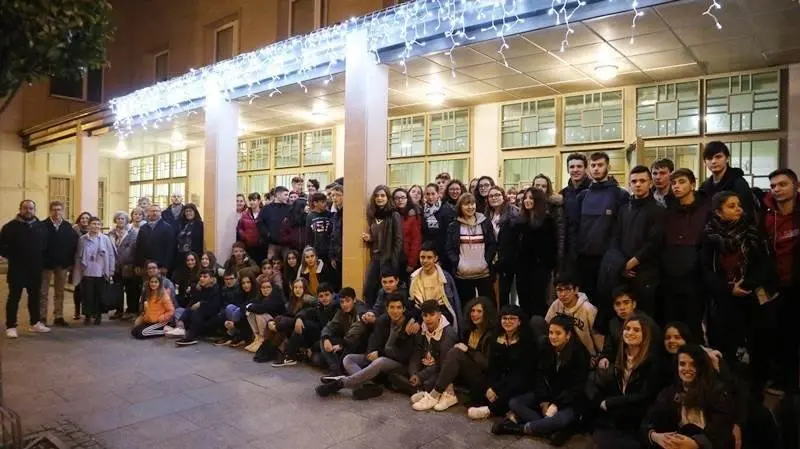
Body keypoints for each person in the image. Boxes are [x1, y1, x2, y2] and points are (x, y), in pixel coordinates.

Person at [703, 191, 775, 396]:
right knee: (726, 344)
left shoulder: (753, 230)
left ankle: (756, 388)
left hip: (752, 295)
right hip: (725, 297)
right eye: (731, 206)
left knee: (758, 343)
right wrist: (728, 288)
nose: (739, 210)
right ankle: (728, 386)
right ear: (718, 212)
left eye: (739, 205)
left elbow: (765, 262)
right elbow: (706, 269)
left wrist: (748, 284)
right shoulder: (709, 235)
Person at [493, 315, 590, 447]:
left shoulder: (580, 353)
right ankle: (550, 429)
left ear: (568, 335)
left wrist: (556, 404)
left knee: (560, 419)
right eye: (551, 332)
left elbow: (576, 387)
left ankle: (518, 428)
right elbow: (539, 374)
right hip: (548, 395)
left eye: (558, 333)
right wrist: (543, 400)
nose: (553, 337)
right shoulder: (545, 345)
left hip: (568, 401)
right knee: (515, 402)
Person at [315, 293, 415, 400]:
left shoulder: (409, 325)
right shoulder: (383, 320)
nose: (395, 311)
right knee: (348, 358)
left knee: (380, 361)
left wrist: (380, 353)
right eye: (392, 307)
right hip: (379, 356)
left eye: (398, 307)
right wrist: (370, 353)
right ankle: (369, 385)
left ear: (404, 309)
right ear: (387, 308)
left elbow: (404, 353)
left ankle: (341, 383)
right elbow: (374, 339)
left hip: (397, 362)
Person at [644, 344, 736, 449]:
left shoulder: (717, 392)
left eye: (693, 364)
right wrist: (655, 437)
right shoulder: (669, 393)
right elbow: (647, 422)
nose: (687, 369)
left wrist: (695, 444)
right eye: (682, 364)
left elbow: (722, 431)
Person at [412, 296, 496, 412]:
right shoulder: (469, 331)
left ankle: (434, 395)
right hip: (461, 374)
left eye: (479, 311)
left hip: (482, 377)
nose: (474, 314)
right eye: (472, 311)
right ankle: (445, 393)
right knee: (452, 356)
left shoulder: (491, 335)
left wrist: (468, 350)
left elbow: (487, 364)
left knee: (455, 352)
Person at [591, 313, 662, 449]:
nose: (630, 333)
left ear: (645, 334)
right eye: (627, 329)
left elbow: (645, 395)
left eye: (636, 330)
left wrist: (610, 402)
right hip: (618, 415)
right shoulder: (619, 356)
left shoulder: (653, 361)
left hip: (639, 417)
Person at [568, 152, 629, 304]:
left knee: (607, 303)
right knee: (586, 303)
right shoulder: (582, 196)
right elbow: (574, 227)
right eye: (593, 165)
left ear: (608, 167)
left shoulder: (620, 195)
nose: (596, 169)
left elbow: (623, 229)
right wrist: (575, 254)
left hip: (608, 260)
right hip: (584, 259)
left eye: (600, 165)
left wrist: (618, 258)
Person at [608, 165, 665, 318]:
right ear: (629, 184)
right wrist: (621, 265)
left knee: (645, 316)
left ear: (650, 183)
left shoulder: (658, 210)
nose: (638, 184)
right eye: (634, 181)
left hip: (646, 272)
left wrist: (631, 263)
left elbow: (654, 243)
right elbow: (616, 238)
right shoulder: (624, 209)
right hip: (623, 272)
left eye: (642, 181)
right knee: (624, 317)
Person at [762, 168, 800, 392]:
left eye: (782, 184)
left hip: (796, 282)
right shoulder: (765, 214)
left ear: (796, 186)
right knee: (775, 332)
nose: (777, 189)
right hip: (774, 284)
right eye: (773, 186)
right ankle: (779, 378)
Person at [660, 168, 709, 337]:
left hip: (695, 278)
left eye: (681, 182)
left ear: (692, 185)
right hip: (671, 276)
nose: (676, 186)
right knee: (671, 324)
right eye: (673, 183)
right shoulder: (668, 211)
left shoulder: (705, 210)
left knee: (693, 325)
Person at [466, 305, 535, 420]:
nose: (508, 321)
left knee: (513, 386)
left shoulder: (527, 341)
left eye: (512, 318)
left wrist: (496, 389)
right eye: (505, 318)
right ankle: (502, 409)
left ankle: (490, 410)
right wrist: (490, 387)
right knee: (479, 384)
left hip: (520, 380)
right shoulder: (497, 337)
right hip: (502, 378)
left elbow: (521, 373)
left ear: (519, 322)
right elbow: (493, 367)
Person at [1, 200, 50, 338]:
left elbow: (45, 246)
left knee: (34, 298)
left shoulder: (41, 227)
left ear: (34, 210)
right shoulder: (9, 227)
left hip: (35, 269)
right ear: (20, 209)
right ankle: (11, 326)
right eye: (25, 208)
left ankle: (35, 323)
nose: (28, 210)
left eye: (31, 208)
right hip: (17, 268)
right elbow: (3, 246)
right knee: (14, 298)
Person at [390, 300, 458, 398]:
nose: (428, 319)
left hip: (439, 369)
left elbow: (443, 364)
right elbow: (417, 352)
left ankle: (418, 390)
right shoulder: (422, 328)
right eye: (425, 315)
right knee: (393, 374)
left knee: (429, 383)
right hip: (423, 367)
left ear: (439, 315)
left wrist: (420, 376)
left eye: (432, 315)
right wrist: (414, 373)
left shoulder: (448, 334)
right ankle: (418, 390)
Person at [505, 188, 557, 317]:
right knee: (524, 302)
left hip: (541, 269)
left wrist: (547, 264)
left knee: (539, 302)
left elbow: (552, 246)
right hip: (522, 270)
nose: (527, 201)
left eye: (531, 198)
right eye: (526, 198)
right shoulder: (519, 221)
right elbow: (513, 246)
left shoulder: (548, 221)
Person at [446, 193, 497, 307]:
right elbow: (449, 248)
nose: (470, 207)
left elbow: (492, 244)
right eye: (466, 204)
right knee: (467, 307)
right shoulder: (454, 225)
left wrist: (486, 262)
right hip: (463, 275)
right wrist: (458, 263)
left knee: (488, 306)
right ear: (460, 207)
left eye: (472, 204)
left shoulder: (485, 222)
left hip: (484, 274)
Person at [538, 274, 601, 360]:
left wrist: (599, 356)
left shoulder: (588, 309)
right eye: (559, 290)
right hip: (560, 350)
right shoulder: (556, 304)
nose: (563, 294)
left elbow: (598, 335)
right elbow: (548, 327)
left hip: (585, 355)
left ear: (576, 290)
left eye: (567, 289)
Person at [597, 288, 660, 371]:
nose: (622, 307)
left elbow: (656, 350)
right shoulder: (613, 323)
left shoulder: (647, 323)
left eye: (626, 302)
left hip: (645, 365)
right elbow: (609, 348)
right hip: (621, 365)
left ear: (634, 304)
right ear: (613, 307)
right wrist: (605, 358)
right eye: (618, 304)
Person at [362, 185, 403, 304]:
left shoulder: (394, 215)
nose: (379, 198)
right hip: (376, 257)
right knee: (369, 289)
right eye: (377, 196)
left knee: (386, 291)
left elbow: (398, 240)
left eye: (382, 195)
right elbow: (377, 236)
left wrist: (394, 260)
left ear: (387, 198)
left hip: (388, 257)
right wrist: (370, 238)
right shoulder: (373, 215)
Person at [700, 141, 759, 224]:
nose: (713, 161)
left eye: (718, 157)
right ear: (705, 162)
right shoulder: (704, 186)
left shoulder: (739, 183)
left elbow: (747, 214)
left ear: (727, 158)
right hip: (711, 229)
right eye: (709, 158)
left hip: (736, 230)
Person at [40, 200, 78, 327]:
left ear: (63, 211)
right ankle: (42, 317)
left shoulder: (68, 227)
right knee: (43, 292)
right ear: (50, 211)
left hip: (62, 264)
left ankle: (59, 316)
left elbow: (73, 246)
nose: (57, 212)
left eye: (59, 209)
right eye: (54, 209)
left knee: (60, 292)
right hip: (45, 264)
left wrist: (71, 262)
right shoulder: (42, 225)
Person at [407, 243, 461, 331]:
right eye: (422, 257)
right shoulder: (414, 278)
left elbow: (454, 303)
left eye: (429, 257)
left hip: (442, 312)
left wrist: (420, 322)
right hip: (421, 312)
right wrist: (414, 320)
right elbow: (415, 304)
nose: (425, 261)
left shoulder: (445, 277)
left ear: (435, 258)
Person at [73, 216, 116, 326]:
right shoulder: (83, 239)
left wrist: (111, 269)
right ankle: (87, 315)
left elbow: (111, 255)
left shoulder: (105, 239)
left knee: (99, 295)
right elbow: (78, 255)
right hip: (87, 271)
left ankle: (98, 315)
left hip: (101, 271)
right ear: (89, 225)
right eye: (93, 224)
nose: (96, 226)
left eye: (98, 224)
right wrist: (77, 271)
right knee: (87, 295)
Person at [318, 287, 368, 376]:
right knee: (323, 341)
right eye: (342, 302)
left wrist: (341, 345)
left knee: (319, 359)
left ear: (354, 300)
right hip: (346, 342)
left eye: (347, 301)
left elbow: (355, 334)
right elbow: (329, 327)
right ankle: (336, 369)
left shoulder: (361, 311)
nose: (344, 304)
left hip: (360, 346)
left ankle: (338, 370)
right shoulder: (341, 312)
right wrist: (326, 338)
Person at [270, 278, 319, 366]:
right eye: (295, 287)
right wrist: (273, 321)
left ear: (305, 288)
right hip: (297, 330)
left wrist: (299, 318)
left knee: (286, 324)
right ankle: (275, 350)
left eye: (300, 287)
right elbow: (287, 315)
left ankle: (289, 356)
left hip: (309, 332)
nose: (297, 290)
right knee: (280, 320)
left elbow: (307, 312)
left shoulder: (309, 301)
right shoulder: (292, 301)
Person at [486, 185, 518, 308]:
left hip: (507, 259)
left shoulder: (512, 212)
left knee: (506, 294)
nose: (494, 198)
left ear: (503, 197)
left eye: (497, 195)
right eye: (491, 196)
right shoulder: (487, 214)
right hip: (492, 259)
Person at [175, 269, 222, 346]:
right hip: (199, 315)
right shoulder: (198, 288)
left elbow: (215, 305)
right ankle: (180, 327)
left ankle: (191, 337)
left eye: (205, 277)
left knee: (198, 311)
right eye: (201, 276)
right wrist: (182, 319)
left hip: (212, 315)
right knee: (182, 310)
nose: (201, 278)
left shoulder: (216, 289)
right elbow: (192, 303)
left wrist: (201, 303)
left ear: (211, 279)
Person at [108, 211, 139, 321]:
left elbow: (135, 250)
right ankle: (119, 310)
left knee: (131, 289)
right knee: (118, 289)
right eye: (118, 218)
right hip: (116, 265)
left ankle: (131, 310)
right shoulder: (111, 233)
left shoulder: (133, 233)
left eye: (122, 219)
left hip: (128, 265)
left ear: (126, 220)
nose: (120, 220)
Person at [213, 270, 254, 347]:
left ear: (236, 279)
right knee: (223, 312)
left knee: (233, 310)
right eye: (226, 279)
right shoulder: (223, 289)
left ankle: (233, 335)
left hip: (241, 313)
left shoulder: (241, 290)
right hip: (231, 312)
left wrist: (233, 321)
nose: (229, 281)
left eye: (231, 278)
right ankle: (231, 333)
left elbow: (243, 305)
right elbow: (221, 303)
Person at [533, 174, 566, 267]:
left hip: (548, 253)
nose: (540, 188)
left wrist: (559, 256)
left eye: (543, 186)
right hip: (531, 254)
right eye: (537, 185)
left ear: (548, 188)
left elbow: (560, 233)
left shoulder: (555, 206)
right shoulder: (528, 204)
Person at [421, 183, 455, 273]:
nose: (430, 197)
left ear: (438, 194)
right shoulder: (422, 211)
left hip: (443, 255)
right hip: (428, 255)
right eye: (428, 194)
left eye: (433, 194)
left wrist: (441, 258)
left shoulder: (446, 210)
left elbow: (447, 236)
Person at [135, 204, 175, 274]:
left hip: (160, 265)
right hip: (145, 264)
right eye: (152, 211)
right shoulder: (143, 228)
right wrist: (138, 264)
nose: (155, 213)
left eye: (157, 211)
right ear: (148, 213)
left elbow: (170, 248)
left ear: (160, 213)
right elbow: (138, 247)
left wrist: (166, 266)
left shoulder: (167, 227)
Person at [393, 187, 422, 282]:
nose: (400, 200)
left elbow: (416, 240)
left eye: (403, 197)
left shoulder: (413, 215)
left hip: (406, 257)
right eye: (397, 198)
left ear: (407, 199)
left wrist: (411, 263)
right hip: (393, 257)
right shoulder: (391, 215)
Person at [561, 153, 591, 241]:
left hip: (590, 243)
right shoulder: (563, 194)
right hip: (570, 244)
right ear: (568, 170)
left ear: (585, 168)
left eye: (579, 166)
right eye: (572, 167)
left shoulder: (594, 191)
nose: (575, 170)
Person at [258, 185, 292, 260]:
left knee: (287, 263)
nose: (287, 197)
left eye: (288, 195)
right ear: (278, 195)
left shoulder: (289, 208)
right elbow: (260, 223)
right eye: (285, 195)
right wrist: (268, 235)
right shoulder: (266, 208)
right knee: (271, 263)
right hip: (272, 244)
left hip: (286, 244)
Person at [72, 211, 91, 320]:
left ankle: (88, 312)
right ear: (79, 219)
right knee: (78, 288)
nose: (85, 220)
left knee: (89, 288)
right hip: (77, 262)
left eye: (87, 218)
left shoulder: (93, 230)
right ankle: (77, 311)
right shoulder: (74, 230)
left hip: (90, 263)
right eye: (83, 218)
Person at [237, 193, 264, 264]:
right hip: (248, 246)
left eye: (254, 200)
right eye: (250, 200)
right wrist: (245, 236)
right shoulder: (245, 214)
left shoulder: (264, 213)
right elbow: (240, 228)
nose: (251, 202)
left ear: (259, 201)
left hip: (261, 246)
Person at [305, 192, 332, 262]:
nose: (325, 204)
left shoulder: (329, 214)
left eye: (325, 201)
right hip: (317, 251)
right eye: (322, 202)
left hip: (329, 251)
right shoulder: (310, 216)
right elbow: (308, 235)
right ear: (315, 203)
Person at [329, 184, 344, 289]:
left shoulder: (348, 213)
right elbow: (333, 236)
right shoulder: (335, 215)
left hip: (345, 254)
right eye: (332, 195)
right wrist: (332, 256)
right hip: (337, 254)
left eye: (338, 195)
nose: (334, 198)